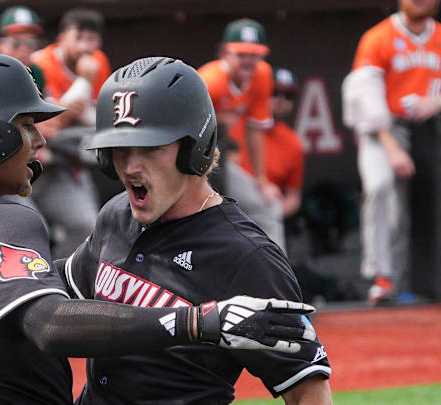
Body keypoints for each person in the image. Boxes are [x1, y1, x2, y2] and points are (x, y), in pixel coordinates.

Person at [0, 53, 318, 405]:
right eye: (27, 125)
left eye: (146, 147)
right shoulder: (10, 219)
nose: (39, 140)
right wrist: (201, 321)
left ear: (194, 149)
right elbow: (51, 320)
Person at [63, 56, 332, 404]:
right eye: (118, 148)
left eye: (149, 148)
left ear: (195, 149)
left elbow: (308, 392)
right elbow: (68, 292)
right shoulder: (116, 214)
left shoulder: (247, 255)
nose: (129, 166)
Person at [343, 0, 441, 304]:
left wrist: (436, 103)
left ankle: (417, 281)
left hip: (430, 127)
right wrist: (392, 147)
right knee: (381, 186)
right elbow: (366, 97)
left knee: (419, 208)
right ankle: (382, 277)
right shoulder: (378, 37)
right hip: (383, 127)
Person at [7, 8, 110, 258]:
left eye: (92, 39)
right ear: (62, 37)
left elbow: (100, 117)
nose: (86, 47)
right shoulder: (42, 63)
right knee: (31, 230)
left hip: (64, 161)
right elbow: (51, 120)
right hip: (26, 160)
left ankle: (61, 277)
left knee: (88, 225)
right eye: (80, 37)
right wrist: (84, 82)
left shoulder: (98, 62)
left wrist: (75, 113)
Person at [198, 18, 286, 250]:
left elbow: (255, 130)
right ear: (226, 53)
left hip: (221, 155)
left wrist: (261, 180)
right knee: (205, 218)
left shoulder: (262, 74)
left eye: (254, 54)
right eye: (241, 54)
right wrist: (216, 119)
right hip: (190, 159)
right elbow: (186, 131)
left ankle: (278, 278)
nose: (249, 61)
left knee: (268, 205)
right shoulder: (210, 80)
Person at [233, 68, 305, 219]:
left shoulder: (293, 143)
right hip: (230, 204)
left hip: (264, 210)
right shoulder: (237, 123)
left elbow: (294, 197)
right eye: (275, 92)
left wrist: (274, 212)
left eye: (288, 95)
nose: (280, 99)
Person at [0, 6, 46, 93]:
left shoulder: (36, 73)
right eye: (16, 43)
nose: (23, 50)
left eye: (30, 43)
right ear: (0, 45)